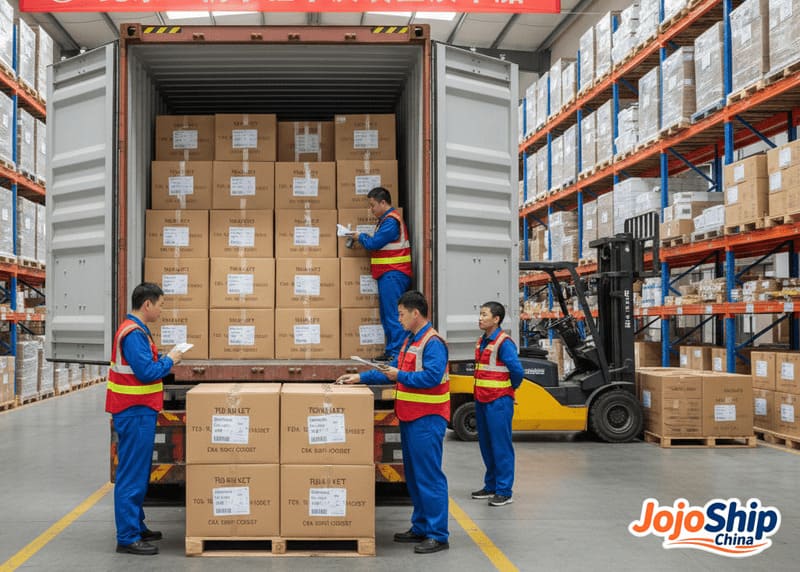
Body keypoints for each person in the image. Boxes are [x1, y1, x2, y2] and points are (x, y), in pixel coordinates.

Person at [337, 291, 450, 554]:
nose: (397, 318)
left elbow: (431, 377)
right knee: (413, 476)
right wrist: (360, 378)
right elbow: (393, 374)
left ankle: (438, 534)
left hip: (427, 419)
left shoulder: (432, 343)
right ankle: (421, 527)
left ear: (416, 313)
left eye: (401, 314)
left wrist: (400, 374)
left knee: (429, 477)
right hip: (411, 417)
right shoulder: (411, 341)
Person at [105, 283, 183, 555]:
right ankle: (127, 537)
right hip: (133, 410)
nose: (161, 310)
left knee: (138, 471)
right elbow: (147, 373)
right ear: (147, 305)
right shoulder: (134, 334)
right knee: (131, 474)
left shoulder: (136, 331)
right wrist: (170, 360)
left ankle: (136, 526)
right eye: (160, 304)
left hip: (137, 410)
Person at [348, 186, 412, 361]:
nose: (371, 209)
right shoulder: (385, 221)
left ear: (383, 202)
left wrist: (359, 236)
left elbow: (373, 244)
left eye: (373, 205)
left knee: (393, 315)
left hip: (394, 273)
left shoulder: (391, 221)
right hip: (388, 274)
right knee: (387, 315)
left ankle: (397, 354)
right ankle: (392, 351)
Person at [470, 301, 524, 507]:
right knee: (486, 445)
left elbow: (517, 371)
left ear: (496, 319)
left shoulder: (504, 343)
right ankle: (491, 485)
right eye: (480, 314)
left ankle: (504, 490)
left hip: (499, 401)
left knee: (501, 446)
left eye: (485, 314)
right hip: (483, 399)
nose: (480, 318)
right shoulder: (482, 341)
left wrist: (510, 389)